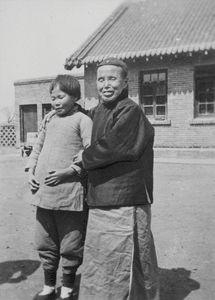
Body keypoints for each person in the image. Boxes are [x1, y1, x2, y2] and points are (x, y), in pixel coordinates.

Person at [73, 58, 160, 300]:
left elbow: (116, 145)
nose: (106, 85)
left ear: (124, 83)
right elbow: (81, 121)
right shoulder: (97, 111)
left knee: (129, 258)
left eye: (112, 79)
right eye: (101, 79)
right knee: (104, 260)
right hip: (101, 198)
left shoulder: (130, 110)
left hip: (126, 199)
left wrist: (85, 156)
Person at [25, 74, 93, 300]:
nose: (55, 102)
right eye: (53, 97)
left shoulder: (83, 120)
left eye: (60, 97)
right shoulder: (49, 118)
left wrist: (70, 171)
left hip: (70, 195)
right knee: (45, 241)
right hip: (44, 195)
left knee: (70, 244)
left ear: (74, 96)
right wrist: (31, 171)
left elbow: (90, 152)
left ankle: (67, 289)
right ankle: (48, 287)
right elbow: (37, 147)